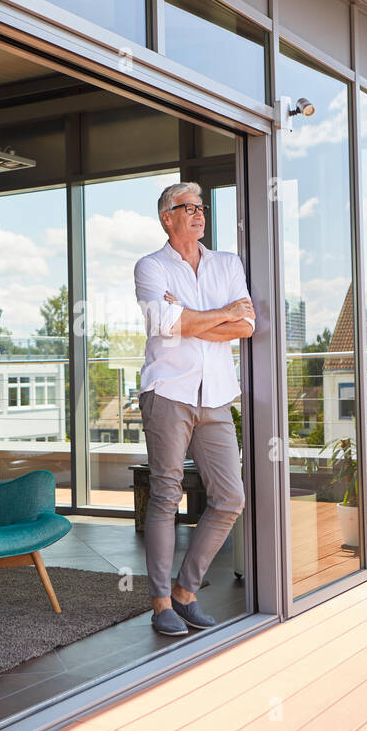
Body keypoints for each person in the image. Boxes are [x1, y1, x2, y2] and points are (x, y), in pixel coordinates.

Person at [132, 180, 255, 636]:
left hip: (217, 395)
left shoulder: (227, 263)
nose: (200, 213)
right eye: (189, 207)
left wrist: (191, 320)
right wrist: (219, 313)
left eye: (202, 206)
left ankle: (186, 592)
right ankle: (161, 603)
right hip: (168, 392)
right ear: (167, 217)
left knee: (230, 497)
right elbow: (163, 323)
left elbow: (245, 326)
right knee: (166, 494)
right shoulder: (151, 267)